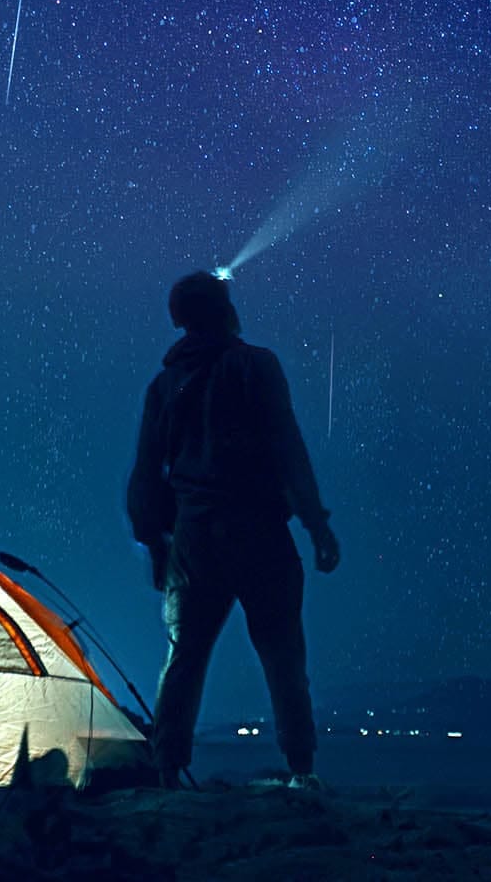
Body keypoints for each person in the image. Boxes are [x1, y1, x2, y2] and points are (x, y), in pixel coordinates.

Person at [127, 270, 340, 789]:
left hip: (192, 538)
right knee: (283, 652)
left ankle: (167, 770)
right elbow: (287, 445)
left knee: (184, 657)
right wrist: (316, 524)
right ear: (223, 310)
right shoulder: (256, 366)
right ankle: (301, 770)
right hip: (259, 530)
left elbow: (146, 470)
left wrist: (155, 542)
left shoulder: (163, 385)